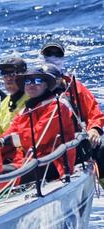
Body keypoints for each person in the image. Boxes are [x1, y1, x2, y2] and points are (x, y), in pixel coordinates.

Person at [0, 66, 77, 183]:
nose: (32, 85)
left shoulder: (57, 106)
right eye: (28, 81)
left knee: (2, 176)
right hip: (30, 159)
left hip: (55, 161)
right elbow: (11, 130)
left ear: (46, 85)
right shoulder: (24, 111)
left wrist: (9, 140)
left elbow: (39, 137)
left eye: (37, 81)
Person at [40, 41, 104, 179]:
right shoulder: (34, 87)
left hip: (75, 141)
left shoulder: (73, 86)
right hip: (48, 147)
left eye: (57, 54)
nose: (53, 57)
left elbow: (94, 111)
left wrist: (94, 129)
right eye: (48, 53)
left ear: (63, 58)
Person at [0, 57, 29, 138]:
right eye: (4, 74)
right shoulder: (5, 102)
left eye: (13, 74)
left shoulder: (31, 98)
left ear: (23, 76)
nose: (8, 78)